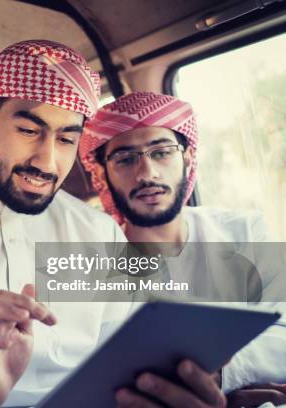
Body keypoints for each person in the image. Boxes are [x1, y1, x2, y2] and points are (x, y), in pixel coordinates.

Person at [0, 41, 225, 408]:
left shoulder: (98, 232)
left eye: (66, 139)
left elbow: (125, 359)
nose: (48, 161)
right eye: (29, 131)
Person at [80, 91, 286, 407]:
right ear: (102, 174)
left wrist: (223, 378)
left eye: (161, 152)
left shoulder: (245, 231)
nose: (147, 173)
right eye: (125, 159)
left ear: (187, 158)